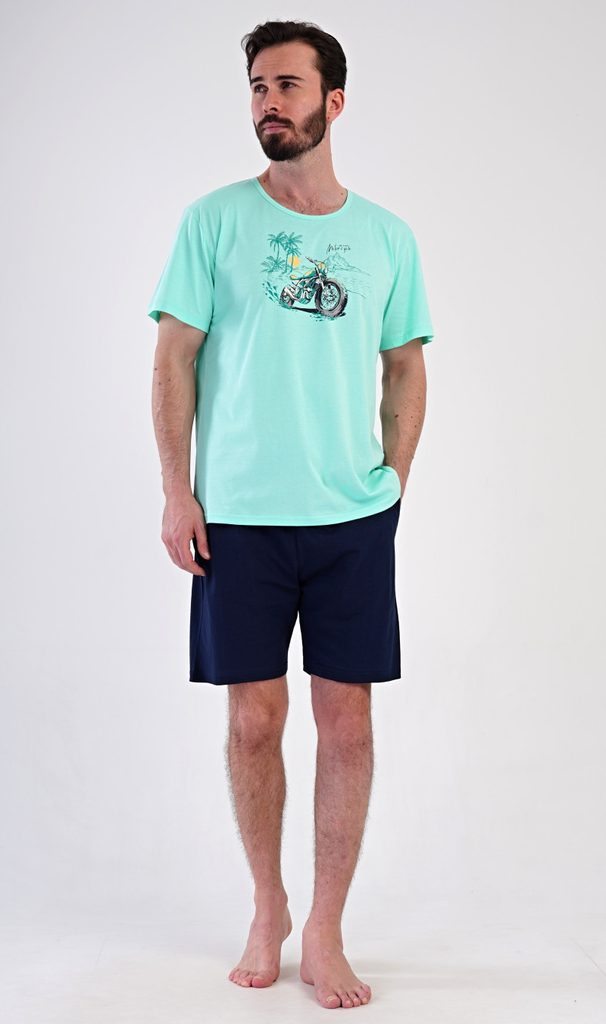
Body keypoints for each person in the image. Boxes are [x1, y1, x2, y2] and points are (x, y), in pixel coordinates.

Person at [147, 19, 435, 1011]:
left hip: (351, 518)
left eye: (288, 85)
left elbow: (406, 365)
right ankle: (267, 905)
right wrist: (178, 489)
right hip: (239, 516)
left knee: (346, 723)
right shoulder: (214, 220)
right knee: (253, 719)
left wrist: (392, 483)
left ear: (333, 102)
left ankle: (326, 927)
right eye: (258, 86)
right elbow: (174, 355)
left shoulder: (386, 237)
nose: (269, 102)